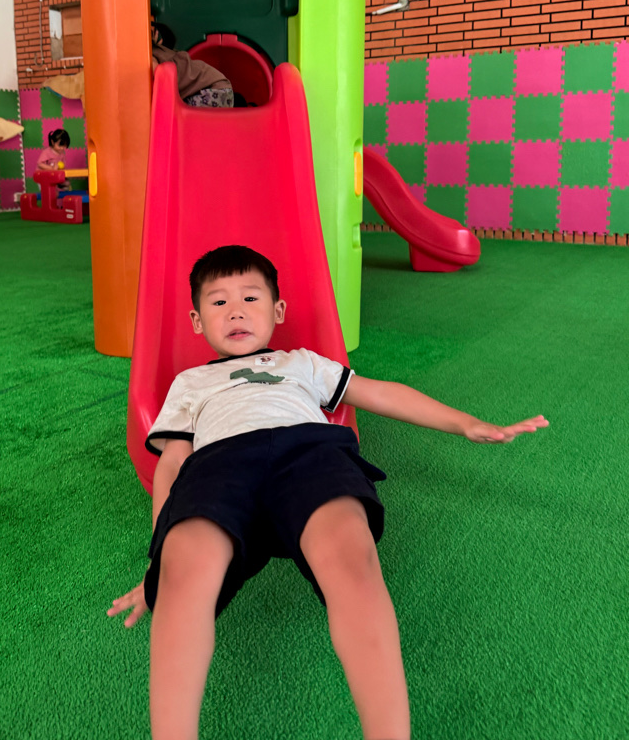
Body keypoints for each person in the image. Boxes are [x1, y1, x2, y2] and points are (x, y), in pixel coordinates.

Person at [109, 245, 549, 740]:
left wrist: (465, 423)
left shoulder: (301, 363)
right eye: (218, 302)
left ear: (278, 310)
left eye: (250, 298)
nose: (235, 311)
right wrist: (158, 557)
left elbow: (379, 392)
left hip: (308, 456)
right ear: (196, 321)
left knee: (349, 556)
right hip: (219, 468)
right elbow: (173, 462)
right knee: (184, 570)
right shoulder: (190, 382)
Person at [151, 25, 234, 108]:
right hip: (220, 89)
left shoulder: (153, 57)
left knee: (173, 109)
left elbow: (156, 78)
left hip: (213, 90)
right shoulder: (163, 52)